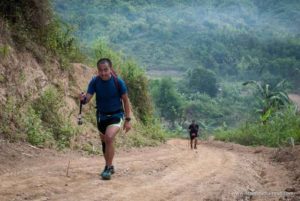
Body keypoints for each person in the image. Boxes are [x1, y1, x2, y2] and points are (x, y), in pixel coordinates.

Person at [79, 58, 131, 180]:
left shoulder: (118, 82)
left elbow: (125, 100)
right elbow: (87, 98)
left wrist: (128, 120)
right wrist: (83, 99)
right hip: (101, 116)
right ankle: (110, 165)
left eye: (106, 70)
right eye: (100, 70)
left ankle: (107, 168)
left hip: (116, 115)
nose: (103, 73)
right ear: (98, 70)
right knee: (105, 142)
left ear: (111, 69)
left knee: (109, 138)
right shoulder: (95, 82)